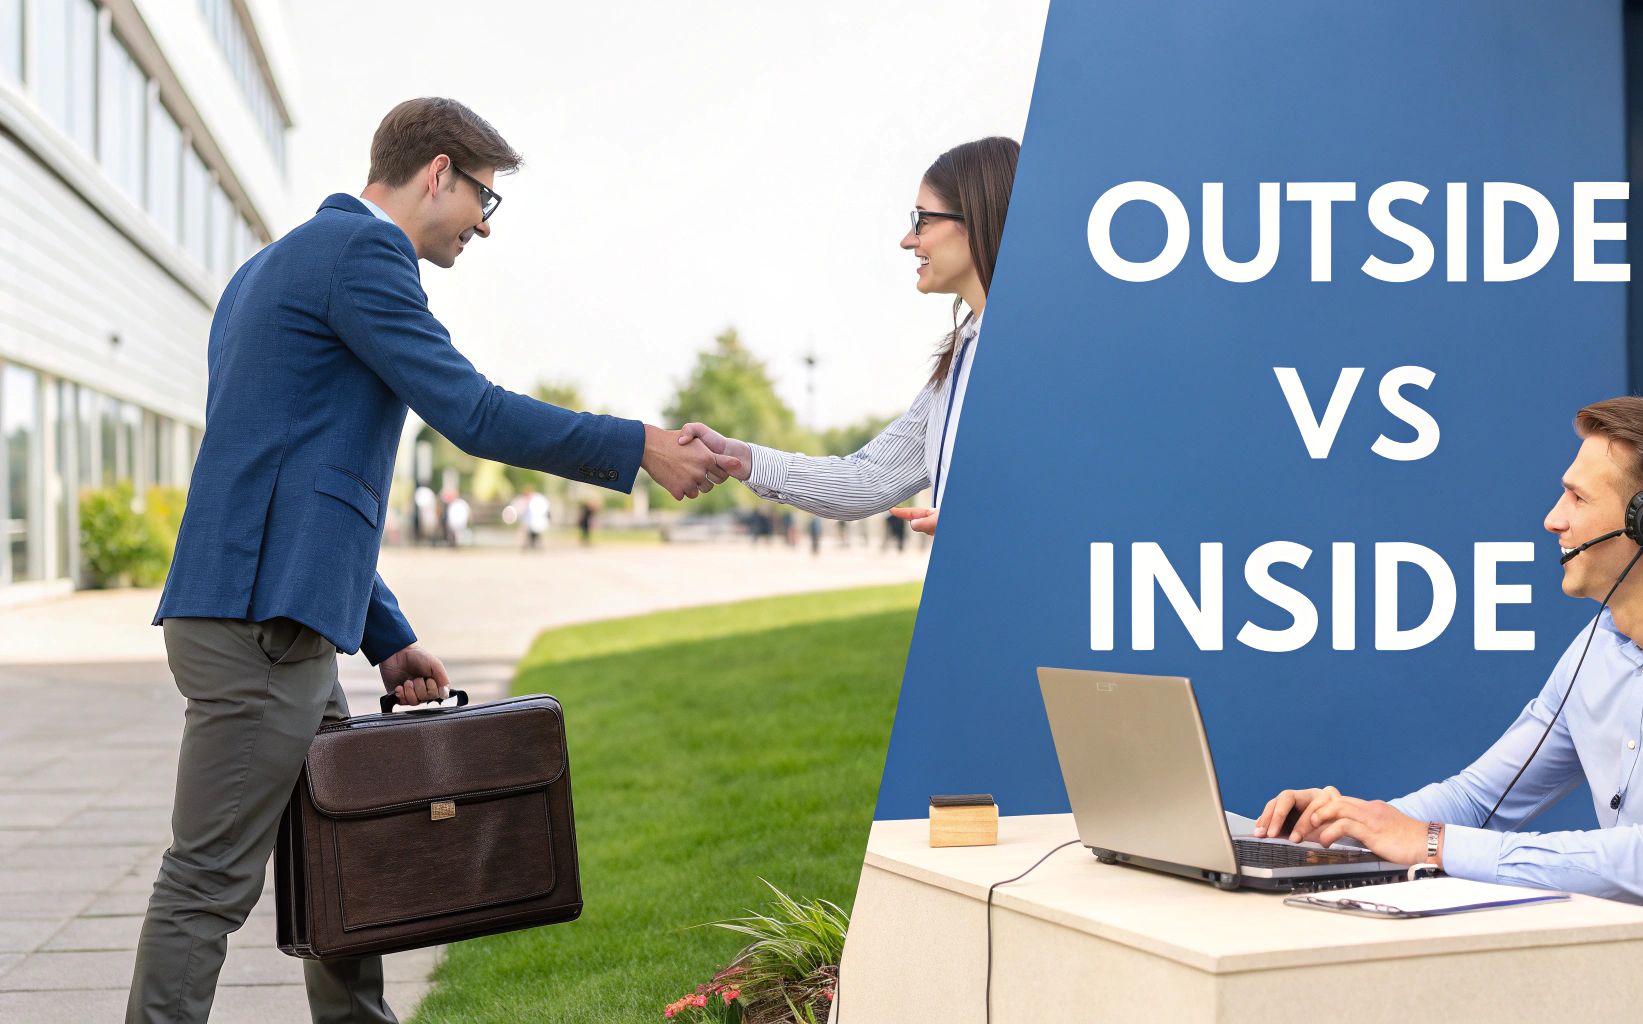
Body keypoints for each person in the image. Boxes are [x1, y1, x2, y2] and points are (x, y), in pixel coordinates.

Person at [134, 97, 737, 1024]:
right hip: (258, 631)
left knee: (342, 856)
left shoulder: (265, 267)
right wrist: (640, 444)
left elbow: (296, 486)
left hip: (274, 617)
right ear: (438, 173)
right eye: (485, 202)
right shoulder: (364, 255)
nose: (483, 229)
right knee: (208, 882)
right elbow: (474, 412)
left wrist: (388, 637)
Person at [1254, 397, 1643, 1024]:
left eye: (1577, 499)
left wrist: (1432, 844)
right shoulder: (1599, 647)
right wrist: (1348, 830)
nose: (1553, 520)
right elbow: (1482, 800)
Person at [677, 137, 1018, 538]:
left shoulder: (1048, 353)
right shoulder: (961, 356)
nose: (908, 240)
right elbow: (868, 479)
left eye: (922, 220)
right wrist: (744, 458)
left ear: (976, 219)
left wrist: (987, 522)